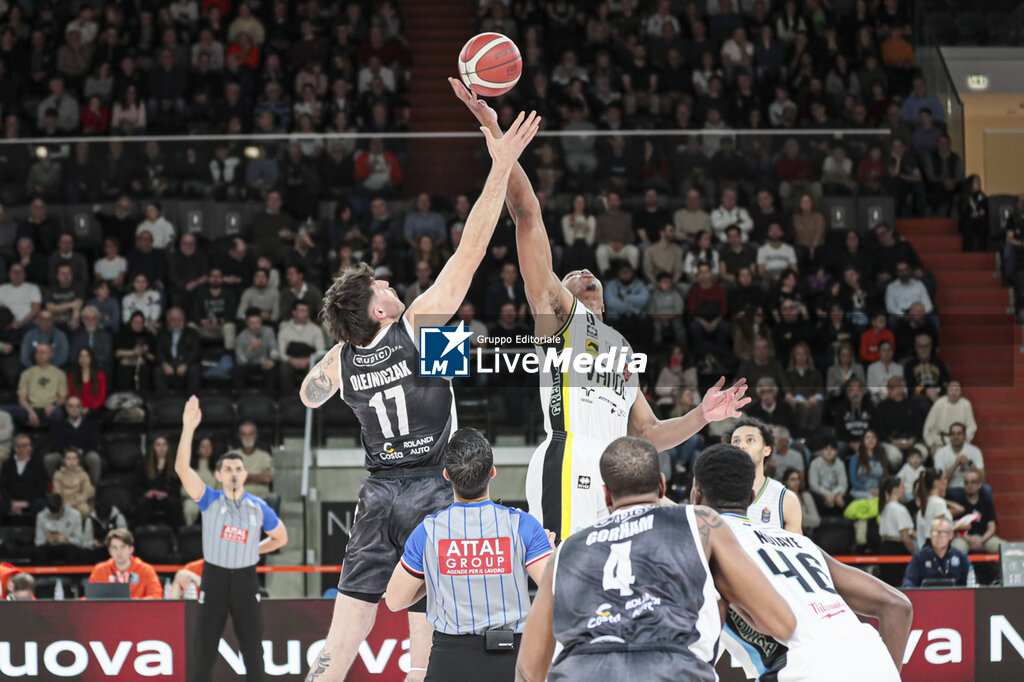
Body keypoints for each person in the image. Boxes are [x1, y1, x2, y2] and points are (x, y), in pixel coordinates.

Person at [298, 109, 541, 682]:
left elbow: (309, 397)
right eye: (382, 285)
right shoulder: (418, 326)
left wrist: (336, 358)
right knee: (423, 657)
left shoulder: (347, 360)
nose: (391, 284)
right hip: (433, 487)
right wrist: (501, 162)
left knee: (340, 641)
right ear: (380, 310)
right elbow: (472, 248)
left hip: (377, 493)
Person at [450, 79, 749, 543]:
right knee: (563, 576)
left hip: (618, 467)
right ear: (556, 290)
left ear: (605, 300)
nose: (584, 271)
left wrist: (702, 417)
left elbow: (648, 432)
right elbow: (527, 214)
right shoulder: (556, 313)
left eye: (590, 273)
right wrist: (499, 142)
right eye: (571, 275)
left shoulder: (622, 347)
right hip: (568, 456)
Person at [514, 437, 796, 682]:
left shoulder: (566, 550)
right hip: (672, 668)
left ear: (606, 495)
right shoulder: (699, 522)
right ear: (662, 487)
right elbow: (781, 623)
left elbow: (528, 671)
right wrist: (723, 604)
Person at [692, 444, 911, 680]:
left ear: (696, 496)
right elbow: (898, 606)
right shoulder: (800, 542)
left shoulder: (702, 540)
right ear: (752, 498)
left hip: (803, 668)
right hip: (874, 662)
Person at [384, 428, 553, 681]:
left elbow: (395, 601)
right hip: (511, 656)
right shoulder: (523, 525)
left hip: (450, 660)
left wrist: (435, 574)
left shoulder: (427, 532)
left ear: (446, 475)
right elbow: (557, 590)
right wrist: (551, 557)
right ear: (492, 472)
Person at [176, 397, 288, 682]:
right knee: (204, 651)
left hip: (245, 580)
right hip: (213, 579)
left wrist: (254, 549)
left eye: (238, 469)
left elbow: (280, 537)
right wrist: (188, 427)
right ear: (218, 475)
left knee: (253, 652)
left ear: (245, 474)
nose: (234, 473)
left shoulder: (258, 506)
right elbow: (181, 470)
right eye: (228, 469)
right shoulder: (209, 500)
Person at [726, 417, 803, 532]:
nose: (741, 446)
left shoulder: (785, 498)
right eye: (736, 441)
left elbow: (796, 549)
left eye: (750, 440)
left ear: (766, 450)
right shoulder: (714, 492)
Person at [88, 528, 162, 599]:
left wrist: (132, 603)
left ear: (131, 549)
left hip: (137, 611)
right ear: (109, 551)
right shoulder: (99, 570)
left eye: (123, 547)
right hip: (108, 611)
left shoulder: (146, 570)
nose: (119, 552)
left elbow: (156, 596)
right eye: (114, 547)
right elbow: (90, 599)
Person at [902, 517, 970, 587]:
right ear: (930, 534)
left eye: (943, 532)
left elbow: (971, 583)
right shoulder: (919, 557)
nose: (939, 536)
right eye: (935, 532)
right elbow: (909, 581)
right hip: (926, 597)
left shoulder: (961, 556)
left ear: (950, 535)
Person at [951, 470, 1003, 554]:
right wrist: (970, 540)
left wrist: (981, 540)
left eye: (973, 482)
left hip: (984, 538)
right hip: (965, 538)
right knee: (957, 548)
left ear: (979, 485)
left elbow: (992, 528)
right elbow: (957, 527)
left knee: (1003, 547)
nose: (969, 485)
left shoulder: (986, 501)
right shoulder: (959, 503)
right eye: (966, 483)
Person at [0, 435, 48, 517]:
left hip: (31, 501)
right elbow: (4, 487)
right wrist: (12, 502)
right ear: (16, 448)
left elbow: (41, 487)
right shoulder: (7, 464)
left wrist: (26, 503)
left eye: (30, 445)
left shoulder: (37, 463)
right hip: (11, 501)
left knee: (40, 504)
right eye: (25, 446)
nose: (29, 448)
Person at [933, 422, 984, 497]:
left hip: (971, 487)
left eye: (959, 433)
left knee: (986, 489)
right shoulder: (940, 453)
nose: (956, 437)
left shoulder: (975, 451)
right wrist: (955, 464)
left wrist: (970, 463)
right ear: (949, 436)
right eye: (953, 434)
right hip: (950, 489)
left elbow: (982, 478)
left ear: (964, 436)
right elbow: (940, 481)